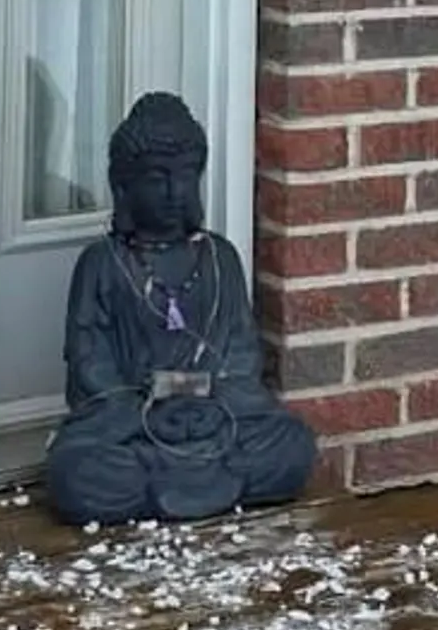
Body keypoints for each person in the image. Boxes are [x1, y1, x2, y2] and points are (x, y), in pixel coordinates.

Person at [40, 91, 317, 527]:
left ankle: (174, 482)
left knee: (291, 445)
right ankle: (191, 480)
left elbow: (242, 358)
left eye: (185, 177)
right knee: (76, 472)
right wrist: (149, 406)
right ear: (124, 186)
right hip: (133, 422)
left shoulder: (219, 258)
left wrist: (203, 400)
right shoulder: (102, 264)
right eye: (156, 179)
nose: (173, 192)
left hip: (215, 417)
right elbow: (90, 369)